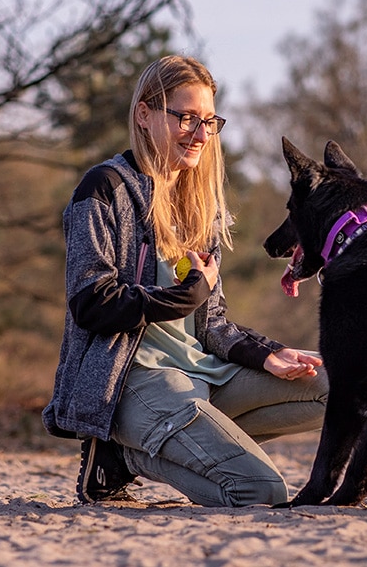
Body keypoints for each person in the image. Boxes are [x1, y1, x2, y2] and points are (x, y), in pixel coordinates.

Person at [42, 55, 327, 507]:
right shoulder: (102, 189)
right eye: (187, 117)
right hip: (134, 380)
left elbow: (211, 322)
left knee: (338, 383)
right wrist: (183, 295)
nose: (199, 134)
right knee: (260, 489)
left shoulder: (200, 205)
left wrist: (267, 355)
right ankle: (122, 456)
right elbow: (91, 302)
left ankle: (144, 450)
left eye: (209, 121)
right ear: (145, 114)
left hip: (202, 372)